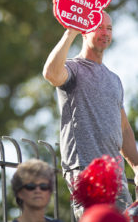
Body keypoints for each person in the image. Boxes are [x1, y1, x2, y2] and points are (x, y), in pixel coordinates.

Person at [43, 11, 138, 220]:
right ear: (85, 32)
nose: (105, 33)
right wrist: (71, 32)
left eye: (109, 28)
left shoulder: (114, 80)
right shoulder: (73, 69)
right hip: (86, 171)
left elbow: (123, 128)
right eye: (100, 27)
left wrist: (137, 167)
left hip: (116, 176)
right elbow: (50, 74)